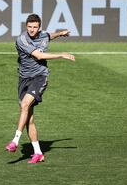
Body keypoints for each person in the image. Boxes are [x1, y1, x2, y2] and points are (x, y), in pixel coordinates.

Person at [5, 13, 75, 164]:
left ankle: (15, 141)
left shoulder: (42, 34)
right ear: (26, 27)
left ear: (39, 27)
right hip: (24, 79)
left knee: (25, 105)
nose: (32, 30)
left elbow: (49, 36)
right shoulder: (22, 40)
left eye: (35, 27)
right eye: (29, 27)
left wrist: (60, 33)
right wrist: (62, 54)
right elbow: (39, 56)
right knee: (29, 118)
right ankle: (38, 153)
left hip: (39, 77)